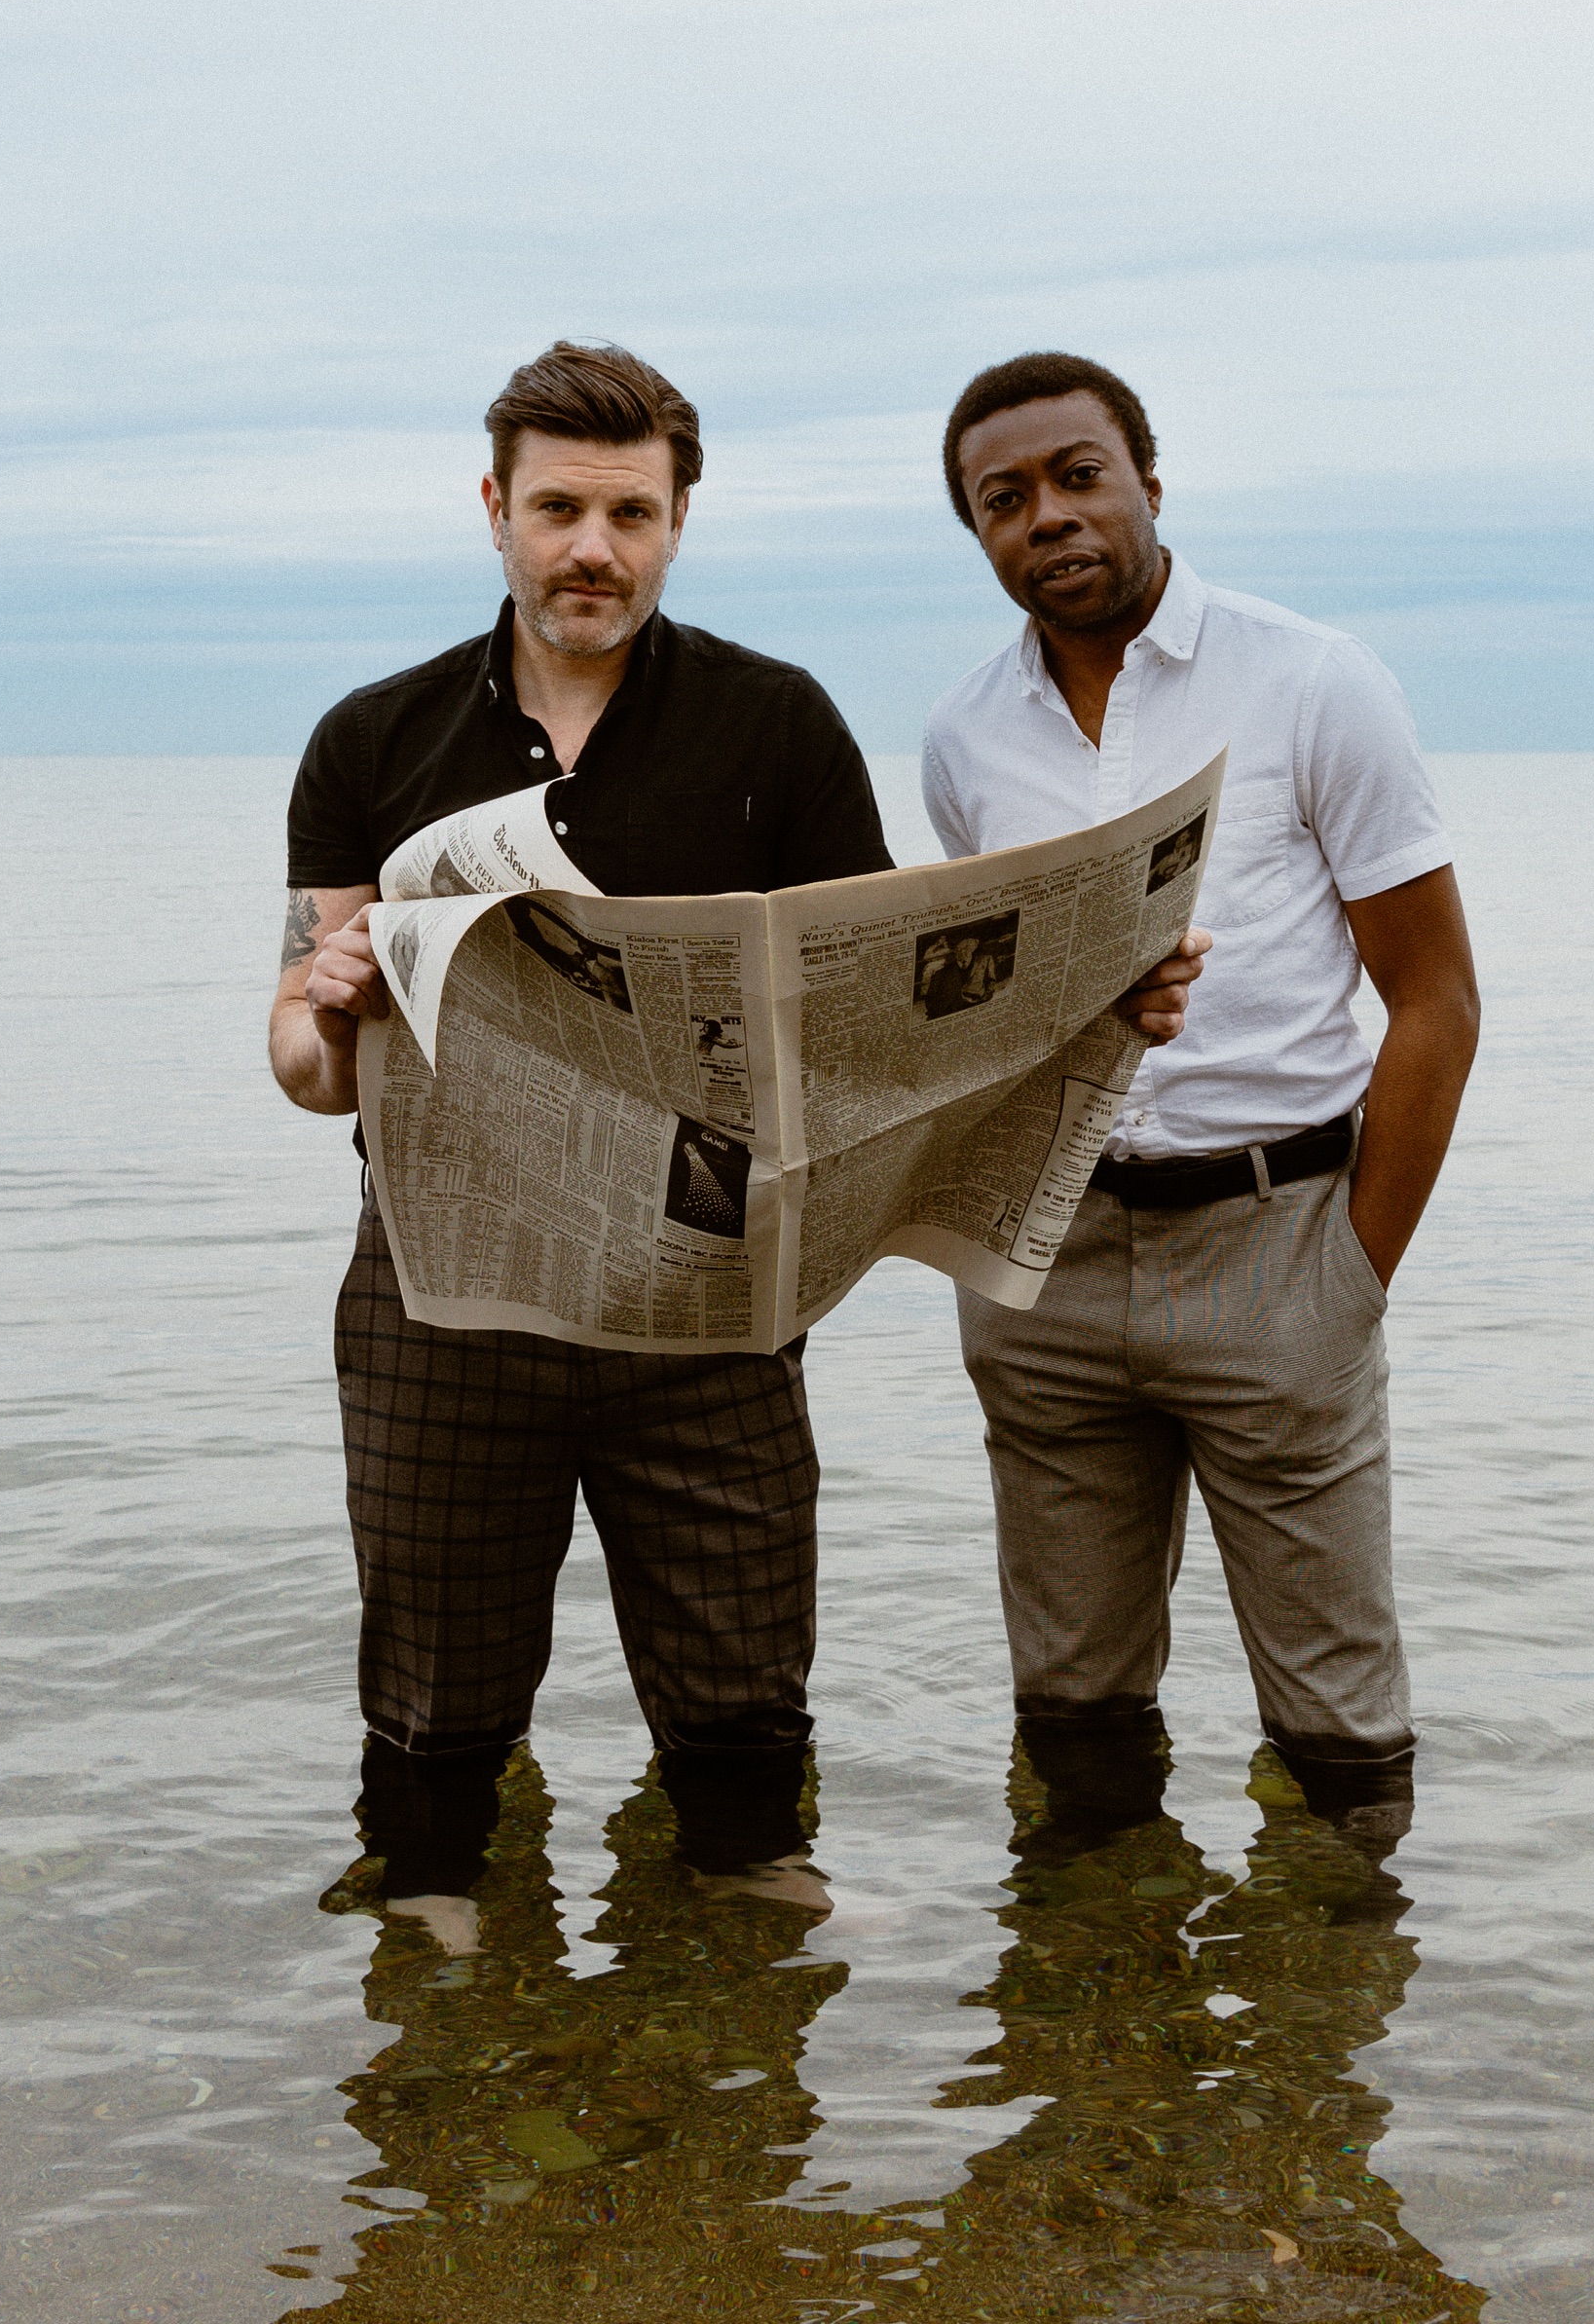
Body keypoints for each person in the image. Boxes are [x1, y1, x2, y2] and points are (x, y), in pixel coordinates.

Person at [272, 341, 1203, 1940]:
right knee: (434, 1727)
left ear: (679, 522)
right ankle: (439, 2029)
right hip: (447, 1297)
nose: (591, 547)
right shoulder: (373, 739)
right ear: (493, 509)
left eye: (630, 512)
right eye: (557, 507)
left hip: (711, 1295)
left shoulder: (775, 724)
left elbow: (873, 1027)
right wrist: (334, 996)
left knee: (745, 1736)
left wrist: (1093, 1005)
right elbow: (300, 1068)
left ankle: (739, 2043)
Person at [922, 350, 1481, 1843]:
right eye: (1005, 499)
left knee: (1340, 1735)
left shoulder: (1312, 681)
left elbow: (1435, 998)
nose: (1048, 516)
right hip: (1046, 1269)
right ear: (978, 533)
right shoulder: (966, 741)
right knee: (1074, 1719)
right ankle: (1105, 2040)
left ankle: (1328, 2035)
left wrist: (1354, 1271)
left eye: (1078, 476)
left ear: (1150, 485)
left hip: (1275, 1241)